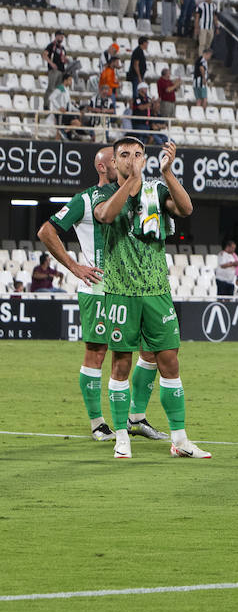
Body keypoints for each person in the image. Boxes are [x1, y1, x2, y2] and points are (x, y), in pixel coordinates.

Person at [37, 147, 168, 441]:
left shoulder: (135, 195)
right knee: (97, 353)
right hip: (98, 288)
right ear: (102, 166)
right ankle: (98, 423)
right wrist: (74, 266)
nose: (128, 161)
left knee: (149, 352)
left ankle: (137, 417)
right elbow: (47, 231)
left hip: (132, 289)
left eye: (133, 156)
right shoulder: (85, 200)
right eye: (118, 158)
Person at [92, 137, 208, 460]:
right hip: (121, 291)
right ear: (114, 162)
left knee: (169, 360)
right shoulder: (102, 193)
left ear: (145, 157)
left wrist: (168, 173)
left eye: (138, 154)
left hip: (157, 290)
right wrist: (129, 181)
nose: (132, 159)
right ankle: (121, 436)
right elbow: (106, 216)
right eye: (125, 155)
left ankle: (180, 439)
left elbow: (186, 208)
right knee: (121, 363)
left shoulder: (157, 191)